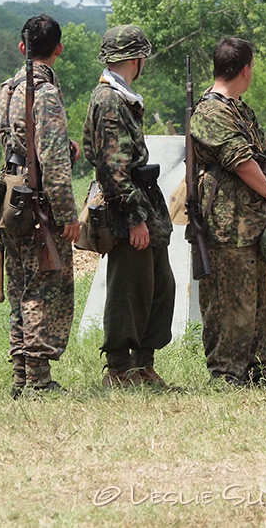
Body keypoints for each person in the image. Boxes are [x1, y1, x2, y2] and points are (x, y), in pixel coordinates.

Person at [83, 25, 176, 389]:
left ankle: (143, 365)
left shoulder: (122, 97)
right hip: (127, 209)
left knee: (158, 286)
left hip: (142, 202)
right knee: (128, 289)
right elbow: (111, 166)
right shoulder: (109, 100)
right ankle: (120, 369)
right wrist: (136, 219)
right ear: (137, 59)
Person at [190, 37, 266, 387]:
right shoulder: (210, 112)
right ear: (245, 69)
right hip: (227, 224)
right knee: (231, 302)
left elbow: (263, 152)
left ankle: (259, 368)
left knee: (263, 298)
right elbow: (240, 160)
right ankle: (228, 371)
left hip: (255, 219)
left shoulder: (240, 109)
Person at [0, 15, 79, 396]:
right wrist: (67, 216)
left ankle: (19, 375)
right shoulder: (43, 93)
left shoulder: (5, 90)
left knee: (18, 287)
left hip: (10, 200)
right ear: (58, 49)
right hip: (39, 204)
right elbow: (54, 163)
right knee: (42, 289)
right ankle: (38, 380)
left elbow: (12, 144)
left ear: (21, 48)